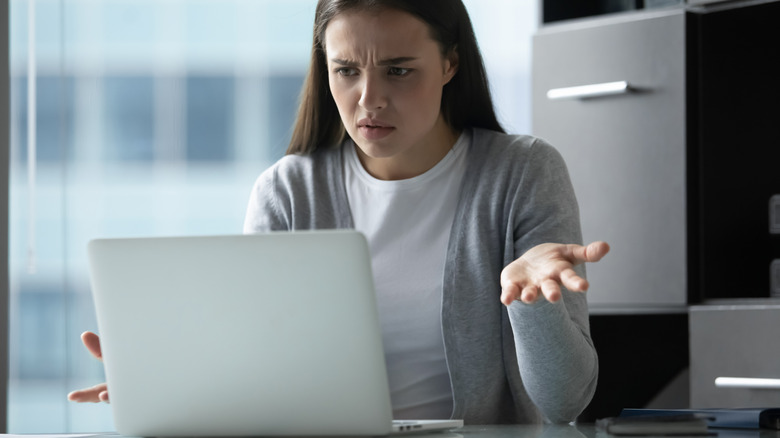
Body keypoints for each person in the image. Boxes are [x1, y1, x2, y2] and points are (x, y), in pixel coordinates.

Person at [68, 0, 610, 425]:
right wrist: (177, 386)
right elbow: (264, 376)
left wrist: (531, 302)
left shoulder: (522, 172)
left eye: (398, 71)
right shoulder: (288, 191)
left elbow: (564, 404)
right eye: (346, 70)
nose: (368, 99)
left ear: (449, 63)